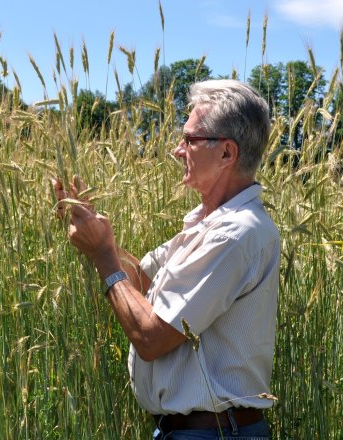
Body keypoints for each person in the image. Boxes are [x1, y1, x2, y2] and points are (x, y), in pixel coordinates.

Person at [53, 79, 279, 439]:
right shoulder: (207, 225)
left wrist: (103, 256)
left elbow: (151, 337)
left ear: (226, 153)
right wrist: (95, 229)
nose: (177, 150)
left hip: (214, 434)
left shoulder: (234, 235)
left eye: (190, 139)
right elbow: (144, 286)